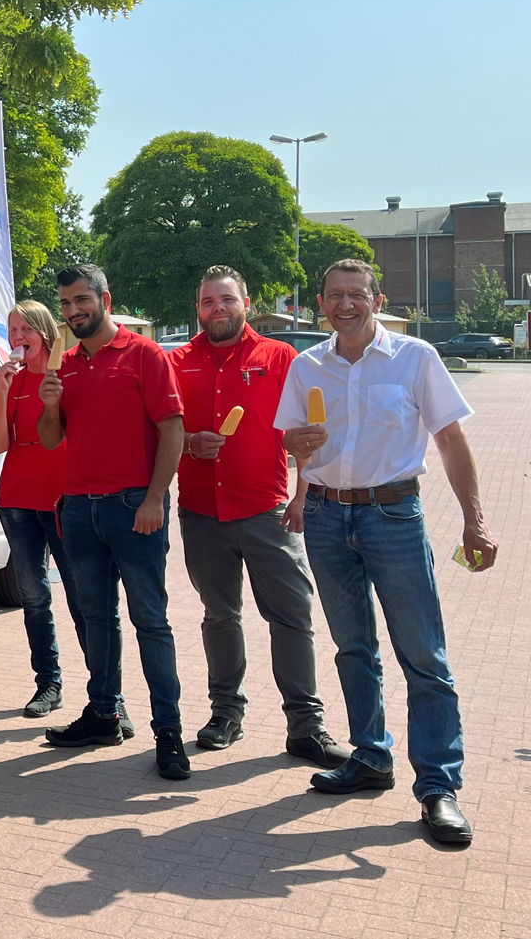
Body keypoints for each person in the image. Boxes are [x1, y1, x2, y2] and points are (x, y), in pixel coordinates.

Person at [277, 259, 497, 846]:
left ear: (378, 298)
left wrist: (474, 523)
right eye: (334, 296)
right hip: (325, 516)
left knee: (424, 655)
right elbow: (292, 440)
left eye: (356, 294)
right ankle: (371, 755)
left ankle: (438, 788)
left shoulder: (416, 358)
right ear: (320, 302)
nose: (345, 304)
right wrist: (293, 447)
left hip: (393, 515)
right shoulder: (306, 365)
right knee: (353, 647)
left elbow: (451, 438)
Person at [170, 265, 349, 768]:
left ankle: (305, 726)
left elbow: (306, 435)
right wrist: (188, 443)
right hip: (202, 512)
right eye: (207, 302)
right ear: (198, 308)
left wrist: (302, 496)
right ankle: (226, 713)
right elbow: (158, 432)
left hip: (267, 510)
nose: (217, 309)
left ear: (245, 303)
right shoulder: (178, 361)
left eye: (226, 299)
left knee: (292, 617)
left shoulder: (279, 358)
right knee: (220, 615)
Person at [38, 263, 191, 781]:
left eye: (81, 300)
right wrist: (50, 404)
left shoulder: (145, 355)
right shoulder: (68, 365)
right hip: (79, 508)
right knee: (96, 620)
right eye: (65, 304)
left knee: (150, 621)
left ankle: (168, 734)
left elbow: (173, 430)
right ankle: (103, 713)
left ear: (106, 298)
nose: (73, 311)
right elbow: (52, 438)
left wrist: (154, 499)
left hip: (133, 507)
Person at [0, 299, 100, 723]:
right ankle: (48, 683)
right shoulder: (12, 381)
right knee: (34, 598)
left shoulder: (67, 370)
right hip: (18, 500)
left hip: (64, 499)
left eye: (24, 331)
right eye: (12, 332)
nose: (17, 339)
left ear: (44, 333)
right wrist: (0, 389)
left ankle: (104, 689)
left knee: (82, 596)